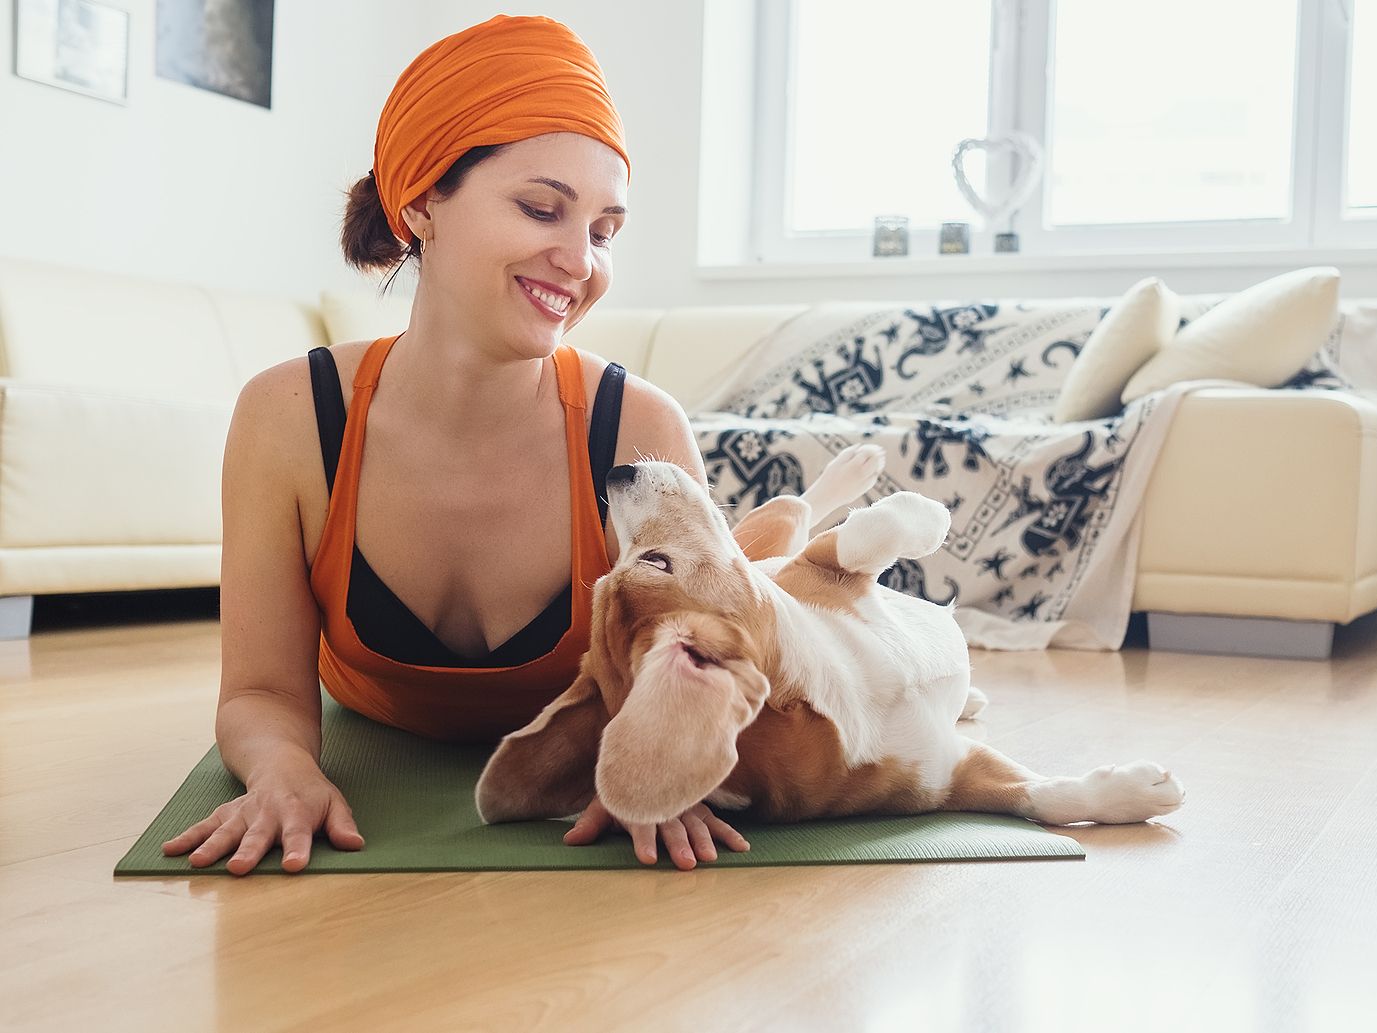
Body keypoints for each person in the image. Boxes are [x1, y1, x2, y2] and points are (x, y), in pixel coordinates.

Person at [159, 15, 874, 877]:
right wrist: (282, 767)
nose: (579, 259)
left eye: (605, 230)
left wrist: (665, 758)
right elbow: (264, 690)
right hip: (376, 729)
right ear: (421, 202)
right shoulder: (292, 417)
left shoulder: (639, 432)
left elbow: (699, 659)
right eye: (541, 208)